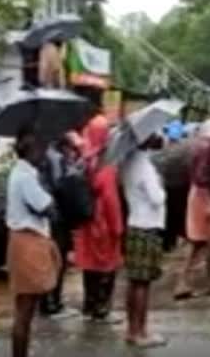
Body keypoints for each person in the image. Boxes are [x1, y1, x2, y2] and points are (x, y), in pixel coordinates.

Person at [6, 131, 61, 357]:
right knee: (25, 309)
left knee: (25, 306)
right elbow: (47, 207)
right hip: (29, 242)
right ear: (31, 150)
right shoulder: (25, 177)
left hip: (24, 240)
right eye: (41, 148)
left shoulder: (23, 173)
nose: (44, 153)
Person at [74, 112, 124, 323]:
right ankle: (102, 309)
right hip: (103, 224)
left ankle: (89, 305)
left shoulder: (83, 161)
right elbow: (112, 202)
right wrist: (118, 228)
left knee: (90, 266)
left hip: (86, 222)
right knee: (106, 265)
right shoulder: (107, 168)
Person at [121, 134, 168, 348]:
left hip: (134, 223)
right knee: (143, 283)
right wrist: (161, 185)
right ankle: (140, 332)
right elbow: (157, 198)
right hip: (148, 226)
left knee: (134, 281)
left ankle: (132, 330)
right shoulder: (144, 166)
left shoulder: (128, 161)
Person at [174, 118, 210, 299]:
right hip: (203, 195)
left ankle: (196, 281)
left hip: (197, 194)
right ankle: (188, 281)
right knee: (202, 240)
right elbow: (203, 176)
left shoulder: (198, 146)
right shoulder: (206, 148)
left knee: (202, 241)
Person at [39, 137, 80, 319]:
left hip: (49, 216)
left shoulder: (45, 155)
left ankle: (49, 301)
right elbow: (60, 186)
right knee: (56, 260)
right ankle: (52, 303)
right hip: (56, 216)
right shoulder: (55, 158)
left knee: (52, 260)